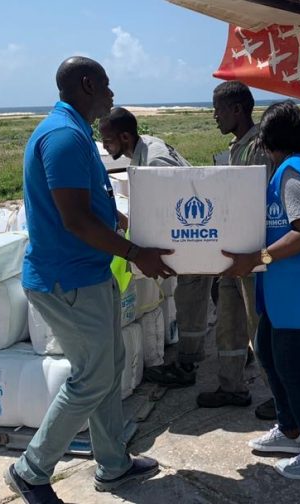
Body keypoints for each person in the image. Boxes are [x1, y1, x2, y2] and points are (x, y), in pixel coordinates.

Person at [4, 57, 172, 504]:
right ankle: (31, 470)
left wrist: (114, 216)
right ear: (85, 84)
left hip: (87, 275)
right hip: (68, 280)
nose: (112, 95)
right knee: (92, 378)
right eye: (106, 85)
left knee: (108, 367)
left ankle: (113, 464)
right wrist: (137, 254)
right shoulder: (63, 136)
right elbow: (75, 220)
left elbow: (89, 203)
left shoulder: (73, 131)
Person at [223, 100, 300, 481]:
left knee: (293, 372)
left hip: (298, 293)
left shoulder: (292, 173)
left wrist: (258, 257)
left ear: (270, 138)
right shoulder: (295, 168)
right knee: (267, 352)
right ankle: (289, 429)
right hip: (283, 293)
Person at [176, 80, 276, 420]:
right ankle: (232, 386)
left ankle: (279, 395)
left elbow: (256, 203)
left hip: (251, 253)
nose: (214, 117)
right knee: (229, 322)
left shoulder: (259, 147)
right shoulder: (239, 146)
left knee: (257, 324)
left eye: (218, 110)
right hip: (232, 252)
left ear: (236, 109)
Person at [99, 106, 195, 388]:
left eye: (108, 140)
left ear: (125, 137)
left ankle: (187, 368)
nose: (105, 146)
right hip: (188, 236)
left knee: (190, 302)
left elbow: (175, 209)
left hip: (192, 238)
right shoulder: (147, 147)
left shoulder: (154, 163)